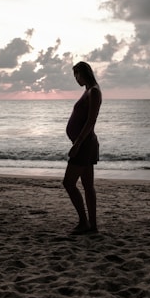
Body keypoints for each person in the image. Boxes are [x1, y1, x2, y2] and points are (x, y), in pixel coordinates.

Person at [63, 61, 102, 234]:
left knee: (68, 183)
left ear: (83, 73)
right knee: (87, 185)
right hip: (85, 143)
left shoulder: (93, 91)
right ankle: (91, 225)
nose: (75, 79)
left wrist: (77, 143)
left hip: (85, 144)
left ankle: (84, 222)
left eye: (76, 75)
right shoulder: (88, 90)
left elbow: (91, 121)